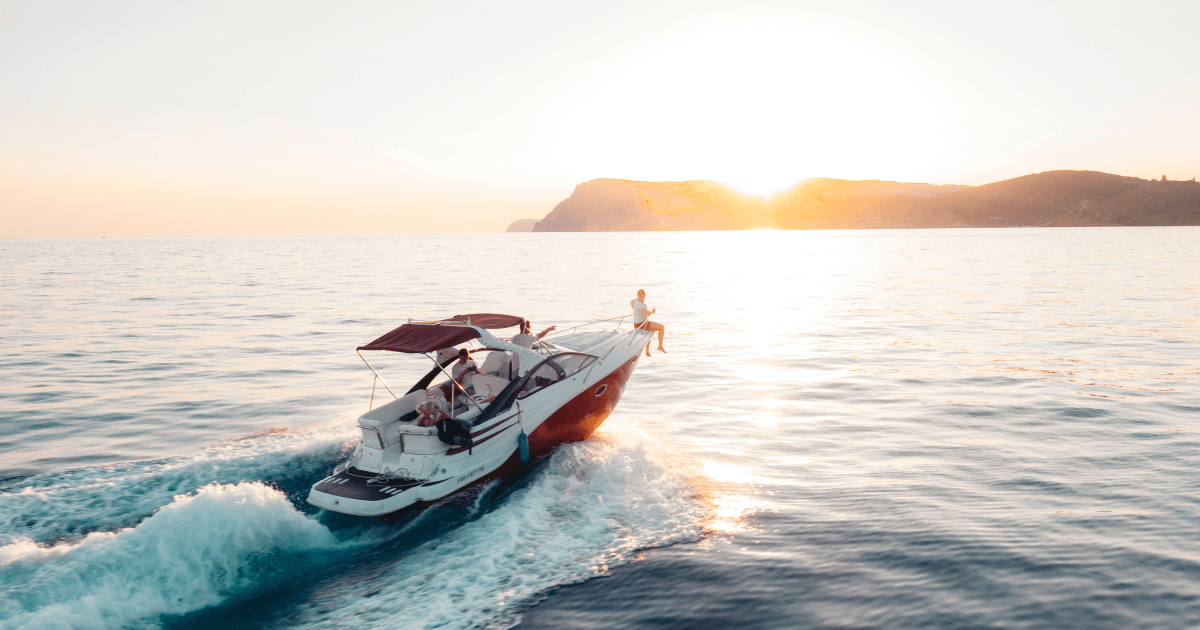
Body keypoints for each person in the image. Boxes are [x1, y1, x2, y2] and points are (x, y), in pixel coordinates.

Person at [631, 289, 666, 357]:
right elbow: (647, 314)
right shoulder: (640, 304)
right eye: (640, 296)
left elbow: (631, 302)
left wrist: (636, 312)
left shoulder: (635, 301)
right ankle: (660, 346)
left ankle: (647, 351)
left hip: (636, 324)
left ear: (645, 295)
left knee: (650, 331)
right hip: (642, 325)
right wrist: (652, 311)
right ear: (638, 296)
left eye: (643, 296)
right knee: (662, 327)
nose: (642, 297)